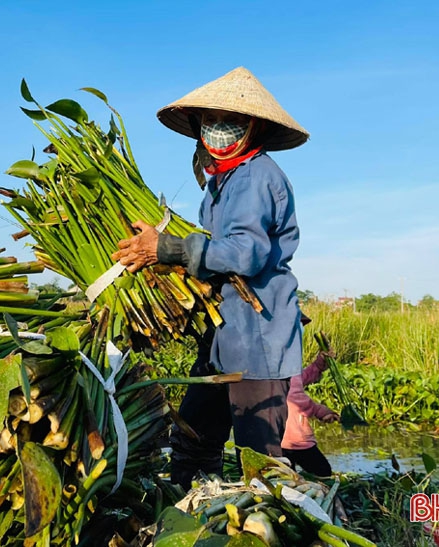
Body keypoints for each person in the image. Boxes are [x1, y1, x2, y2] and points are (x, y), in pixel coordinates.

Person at [111, 67, 310, 488]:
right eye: (211, 120)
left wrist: (168, 248)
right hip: (223, 337)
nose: (219, 130)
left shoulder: (256, 176)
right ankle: (191, 514)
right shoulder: (223, 182)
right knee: (195, 436)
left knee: (259, 457)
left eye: (231, 121)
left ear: (253, 126)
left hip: (257, 340)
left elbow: (246, 254)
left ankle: (268, 523)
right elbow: (214, 254)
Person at [282, 316, 340, 477]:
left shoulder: (283, 360)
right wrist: (321, 411)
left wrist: (320, 363)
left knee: (288, 477)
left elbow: (301, 377)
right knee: (323, 473)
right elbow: (297, 399)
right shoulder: (282, 363)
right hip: (294, 439)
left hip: (283, 437)